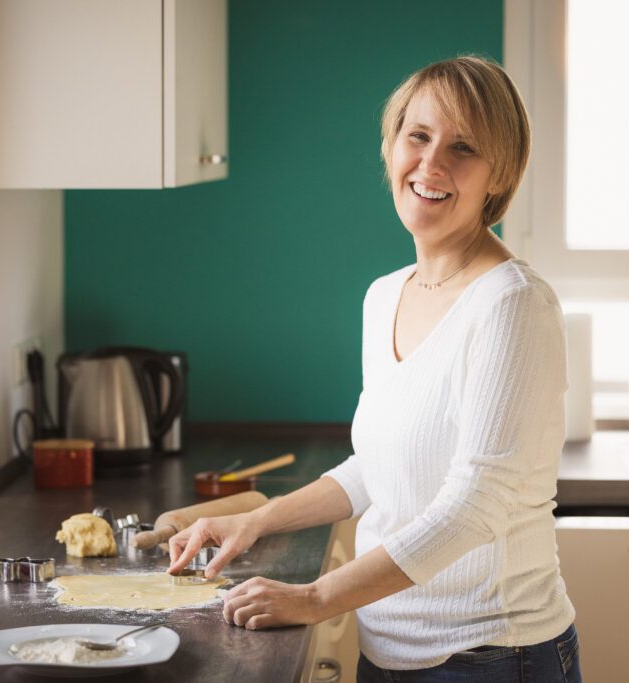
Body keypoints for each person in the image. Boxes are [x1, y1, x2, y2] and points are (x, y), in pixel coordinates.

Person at [168, 55, 582, 682]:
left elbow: (475, 505)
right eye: (418, 136)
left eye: (463, 147)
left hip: (491, 657)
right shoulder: (385, 294)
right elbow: (380, 467)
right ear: (391, 147)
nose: (431, 164)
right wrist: (253, 522)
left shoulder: (512, 304)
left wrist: (314, 597)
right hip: (386, 648)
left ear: (499, 176)